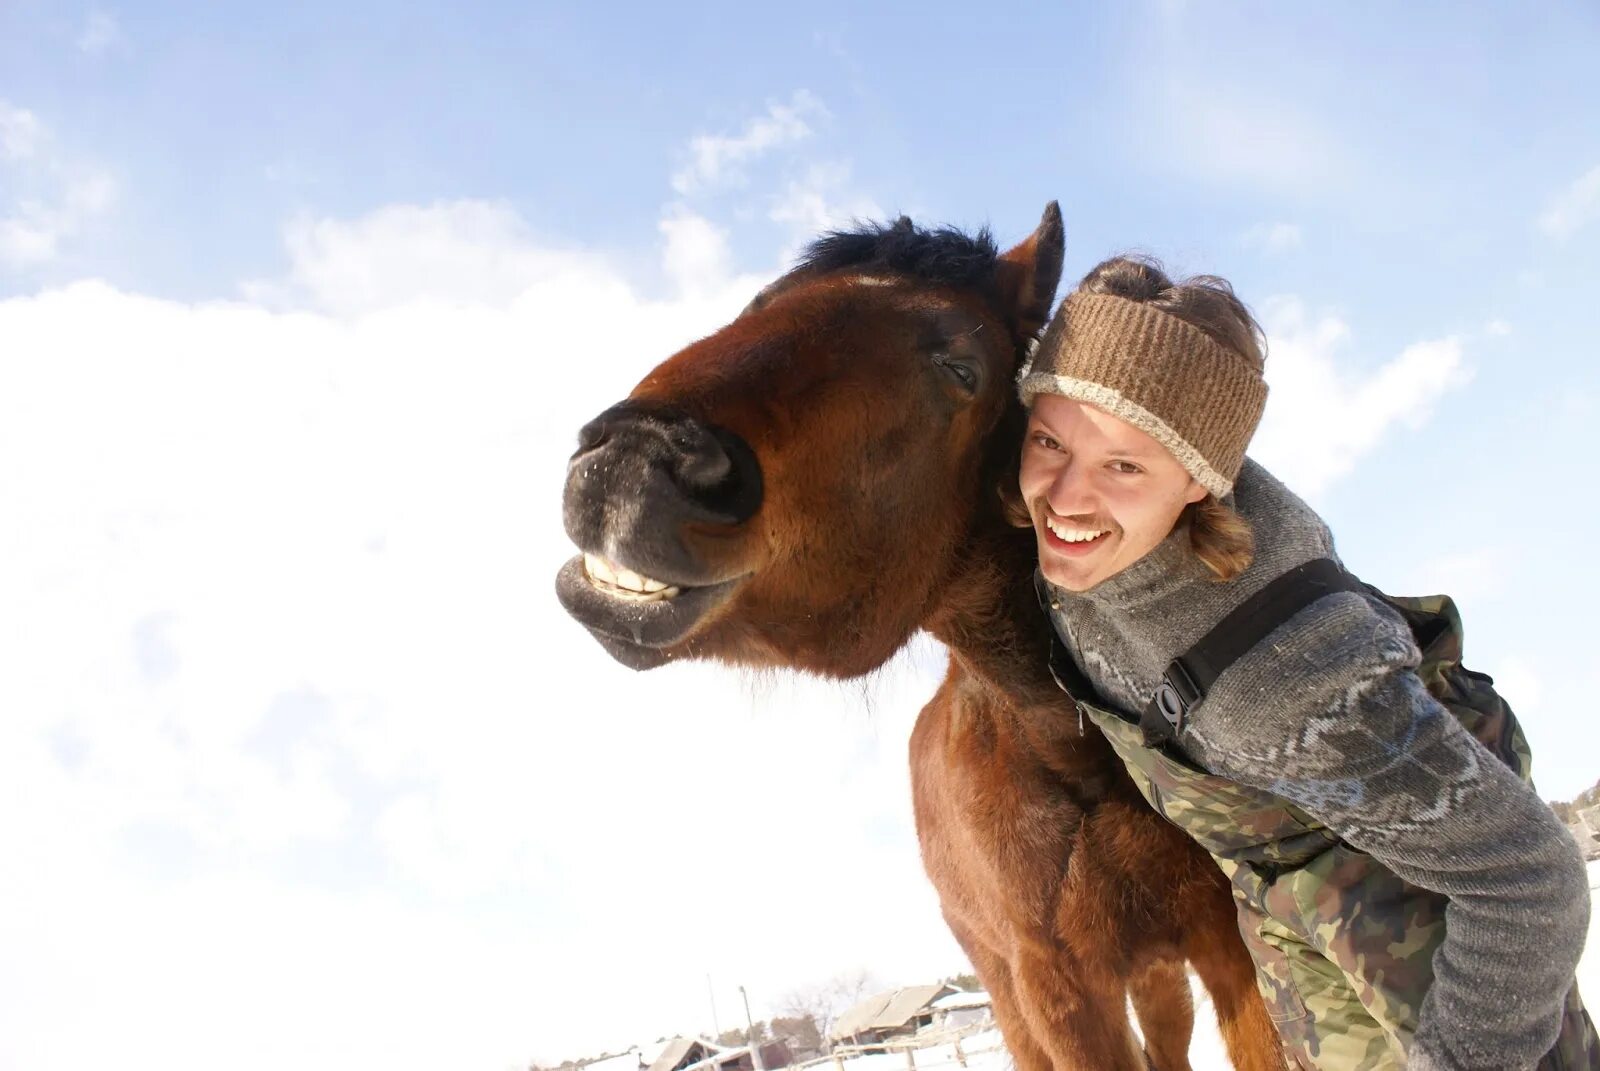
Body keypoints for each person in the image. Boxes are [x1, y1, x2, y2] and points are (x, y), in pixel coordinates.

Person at [1014, 255, 1597, 1070]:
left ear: (1201, 483)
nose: (1064, 497)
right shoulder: (1071, 533)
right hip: (1278, 892)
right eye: (1048, 439)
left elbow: (1534, 881)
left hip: (1426, 899)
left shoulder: (1296, 685)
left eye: (1123, 465)